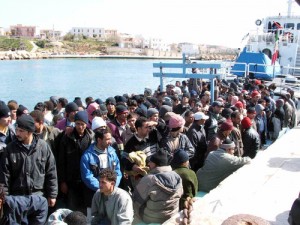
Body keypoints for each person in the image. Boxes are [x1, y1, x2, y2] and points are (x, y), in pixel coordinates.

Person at [0, 114, 58, 207]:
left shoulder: (43, 147)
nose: (17, 133)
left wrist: (52, 195)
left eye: (21, 131)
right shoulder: (10, 149)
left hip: (38, 198)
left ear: (30, 132)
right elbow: (4, 176)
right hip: (17, 199)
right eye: (17, 130)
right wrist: (4, 198)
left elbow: (51, 172)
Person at [80, 129, 122, 220]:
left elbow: (118, 171)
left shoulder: (112, 152)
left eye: (110, 139)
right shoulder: (87, 156)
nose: (110, 142)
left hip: (111, 193)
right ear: (99, 140)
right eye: (107, 139)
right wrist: (102, 187)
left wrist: (113, 185)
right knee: (93, 219)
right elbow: (87, 176)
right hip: (93, 194)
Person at [133, 150, 183, 224]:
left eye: (151, 162)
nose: (148, 163)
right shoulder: (177, 177)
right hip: (172, 215)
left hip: (151, 219)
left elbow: (136, 201)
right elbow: (180, 194)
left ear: (157, 164)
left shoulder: (149, 179)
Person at [58, 111, 94, 212]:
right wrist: (63, 181)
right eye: (77, 123)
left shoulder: (91, 138)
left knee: (87, 208)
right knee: (72, 208)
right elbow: (61, 161)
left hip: (87, 179)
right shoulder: (67, 138)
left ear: (86, 124)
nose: (80, 127)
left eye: (82, 124)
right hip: (71, 180)